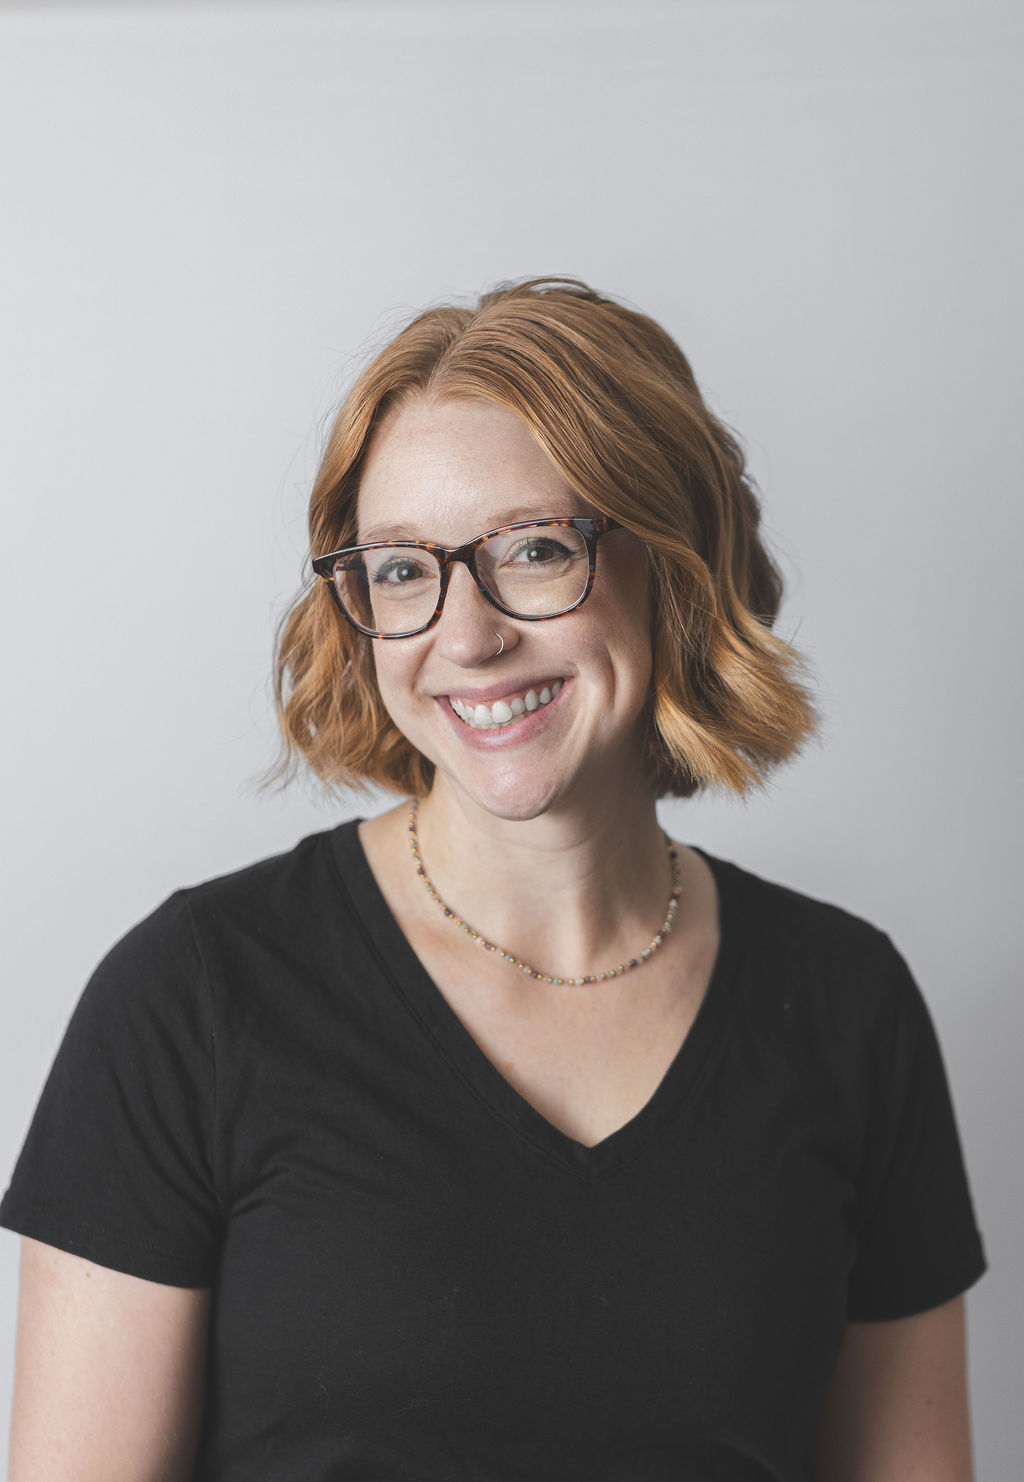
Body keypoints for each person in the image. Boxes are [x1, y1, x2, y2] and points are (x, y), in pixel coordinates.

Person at [1, 276, 987, 1481]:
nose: (465, 639)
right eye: (404, 570)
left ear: (673, 566)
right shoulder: (194, 998)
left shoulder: (847, 1004)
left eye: (531, 550)